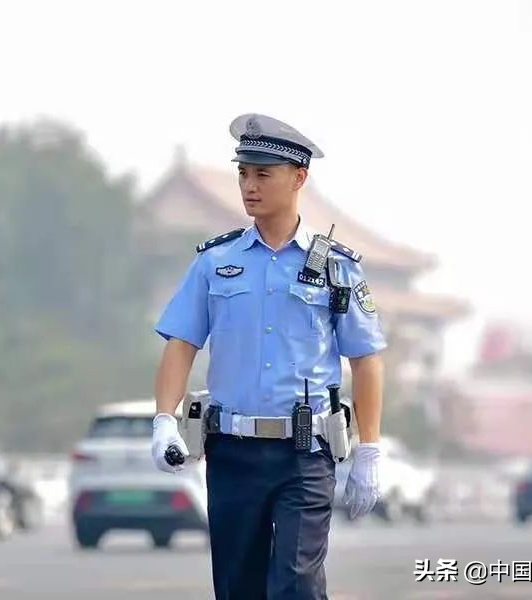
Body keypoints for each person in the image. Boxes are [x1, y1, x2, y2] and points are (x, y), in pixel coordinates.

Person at [151, 113, 387, 600]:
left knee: (296, 585)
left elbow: (366, 360)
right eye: (243, 173)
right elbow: (180, 345)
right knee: (239, 589)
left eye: (263, 174)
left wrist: (369, 450)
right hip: (232, 453)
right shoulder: (215, 262)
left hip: (304, 455)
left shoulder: (334, 267)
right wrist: (162, 420)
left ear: (298, 177)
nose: (249, 186)